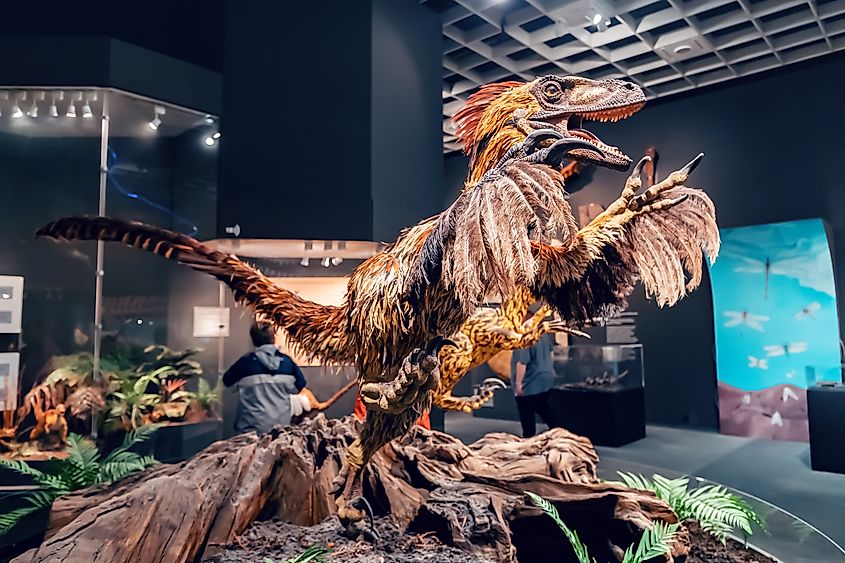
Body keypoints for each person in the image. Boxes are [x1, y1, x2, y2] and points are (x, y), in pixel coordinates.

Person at [223, 321, 316, 434]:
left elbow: (227, 382)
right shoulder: (287, 363)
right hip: (281, 431)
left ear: (253, 340)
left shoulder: (245, 363)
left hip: (250, 432)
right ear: (274, 338)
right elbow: (300, 386)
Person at [511, 333, 557, 438]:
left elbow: (522, 363)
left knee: (527, 415)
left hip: (530, 383)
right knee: (543, 408)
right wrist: (551, 370)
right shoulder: (544, 334)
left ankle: (529, 440)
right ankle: (560, 433)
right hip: (545, 380)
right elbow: (551, 353)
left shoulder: (524, 338)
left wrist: (519, 383)